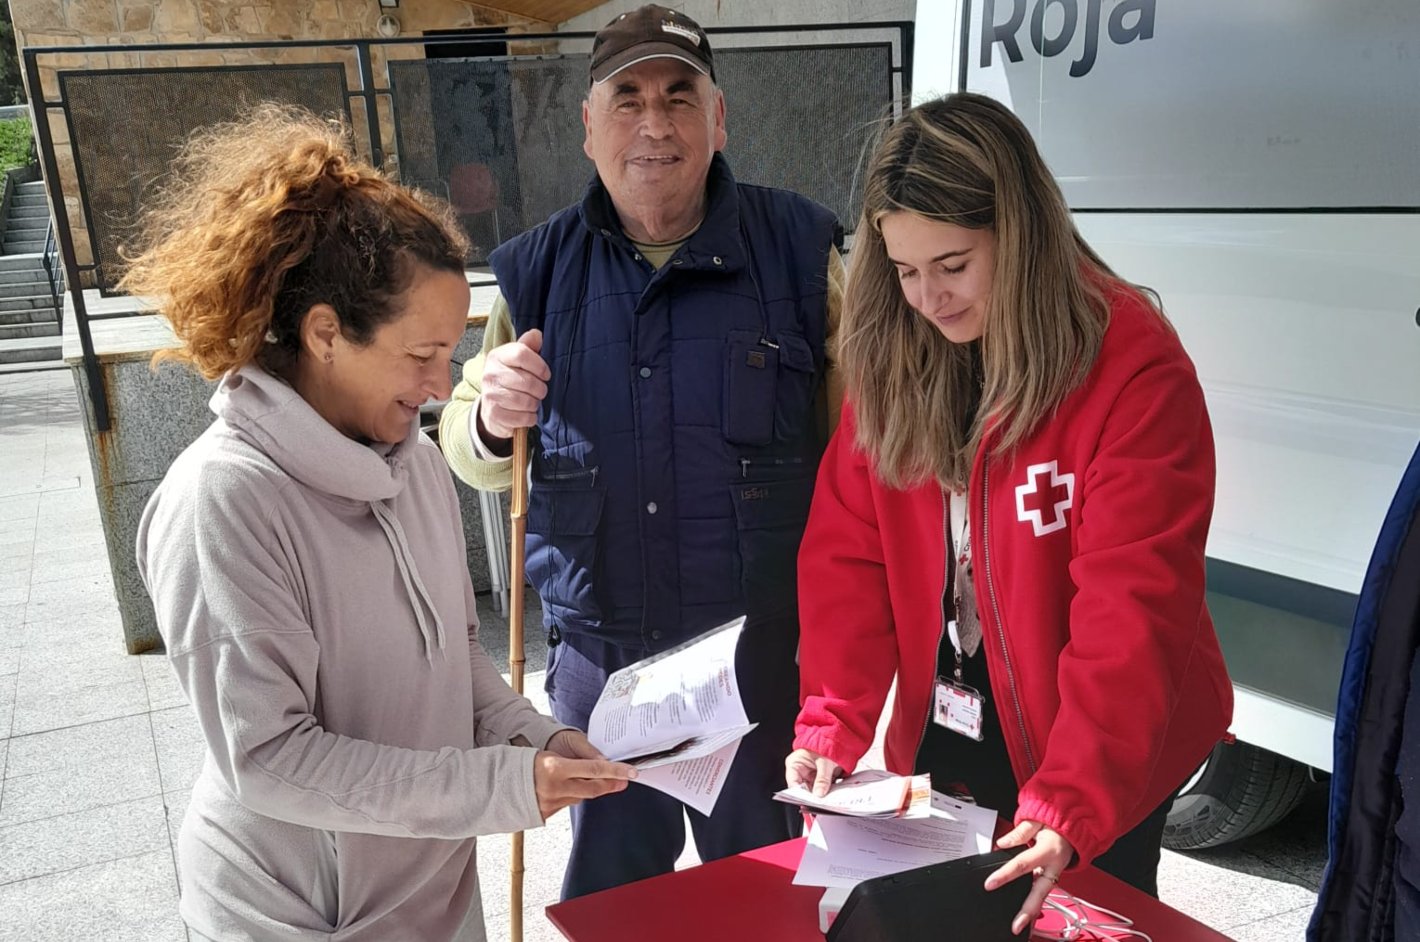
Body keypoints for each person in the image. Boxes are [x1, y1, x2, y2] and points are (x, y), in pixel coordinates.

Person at [128, 105, 635, 942]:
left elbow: (455, 659)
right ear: (325, 333)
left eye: (451, 351)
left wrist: (535, 738)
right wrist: (497, 788)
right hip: (300, 916)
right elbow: (270, 758)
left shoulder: (416, 465)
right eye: (420, 355)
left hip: (432, 892)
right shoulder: (222, 501)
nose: (442, 385)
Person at [784, 93, 1234, 935]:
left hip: (1103, 740)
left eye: (953, 265)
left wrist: (1073, 797)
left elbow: (1133, 608)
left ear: (1019, 235)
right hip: (956, 717)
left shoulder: (1132, 367)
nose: (929, 298)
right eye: (905, 270)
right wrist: (831, 723)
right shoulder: (895, 348)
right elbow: (849, 557)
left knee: (1077, 913)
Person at [439, 4, 844, 900]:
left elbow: (862, 454)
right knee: (615, 899)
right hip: (603, 665)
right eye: (627, 99)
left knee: (766, 897)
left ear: (718, 119)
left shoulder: (802, 254)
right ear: (589, 127)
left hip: (757, 662)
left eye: (678, 97)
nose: (654, 124)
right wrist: (491, 415)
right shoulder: (535, 272)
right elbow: (468, 447)